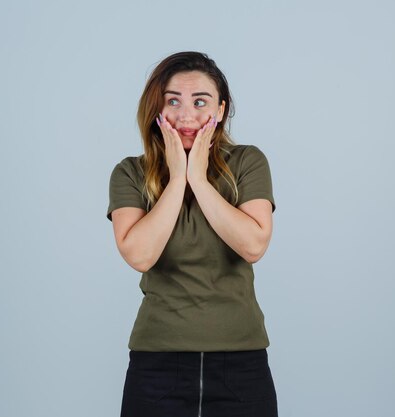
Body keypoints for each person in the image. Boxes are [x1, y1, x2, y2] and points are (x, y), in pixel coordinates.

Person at [106, 51, 279, 417]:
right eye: (173, 101)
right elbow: (140, 255)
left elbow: (253, 245)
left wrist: (199, 179)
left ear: (221, 109)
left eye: (200, 101)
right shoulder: (130, 173)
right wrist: (178, 178)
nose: (186, 116)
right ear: (157, 109)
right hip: (157, 367)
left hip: (240, 365)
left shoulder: (248, 162)